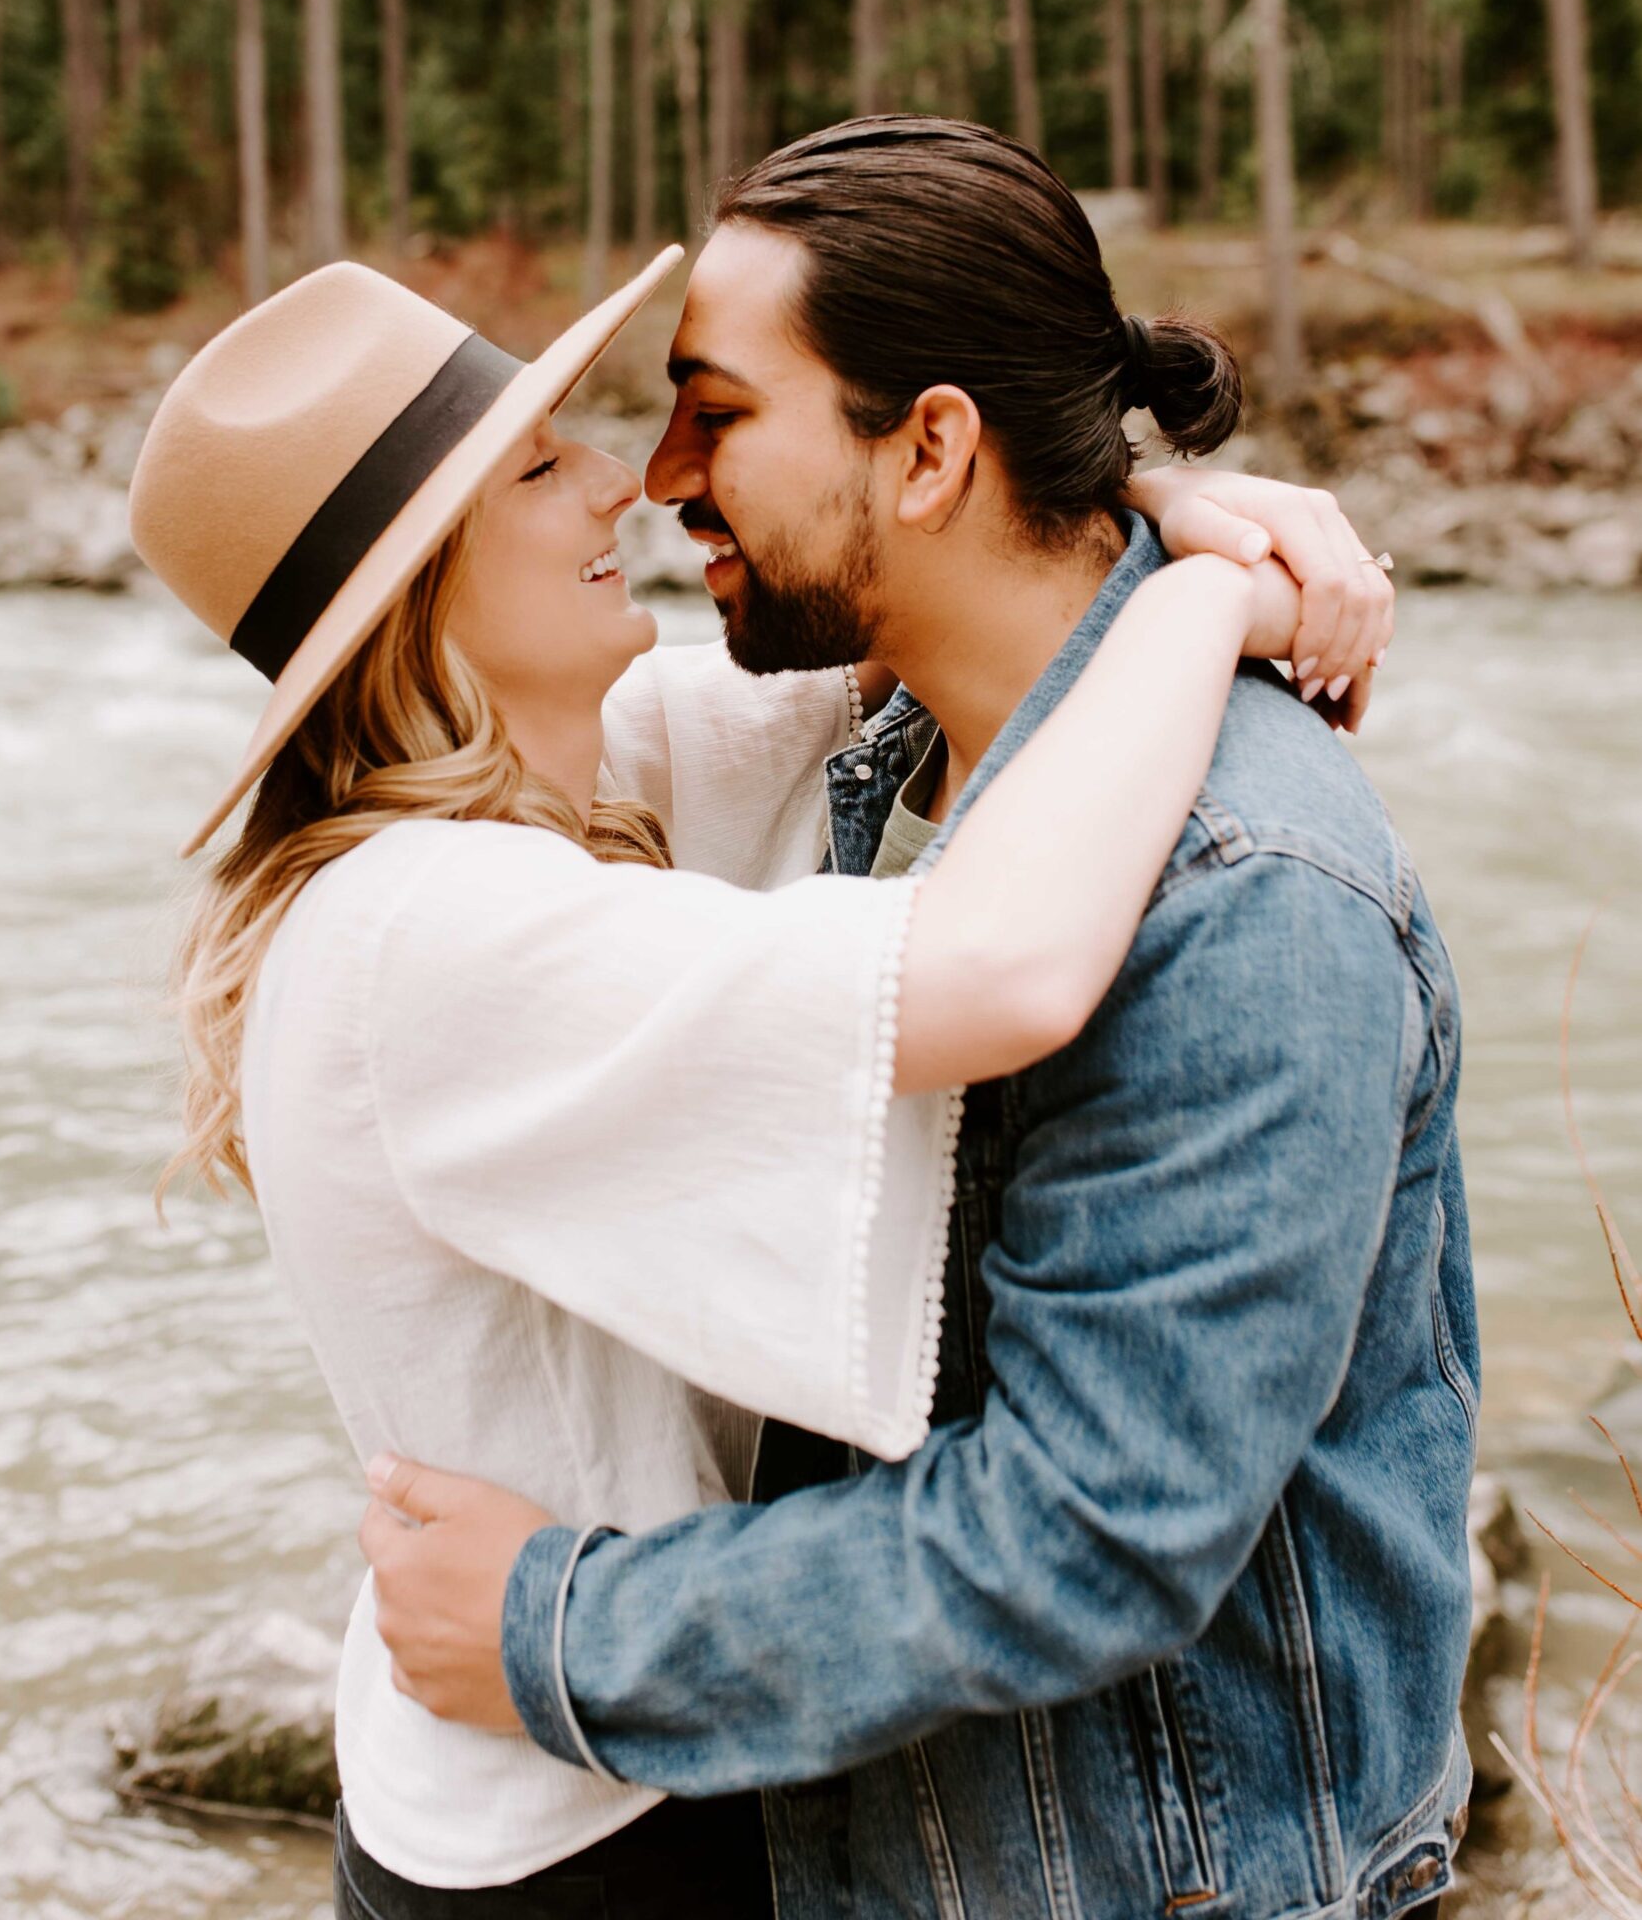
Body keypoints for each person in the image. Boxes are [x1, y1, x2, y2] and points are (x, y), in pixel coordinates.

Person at [360, 117, 1472, 1920]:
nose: (656, 477)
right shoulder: (872, 755)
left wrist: (557, 1630)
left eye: (715, 413)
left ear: (931, 448)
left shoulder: (1250, 896)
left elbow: (1092, 1536)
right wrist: (1184, 522)